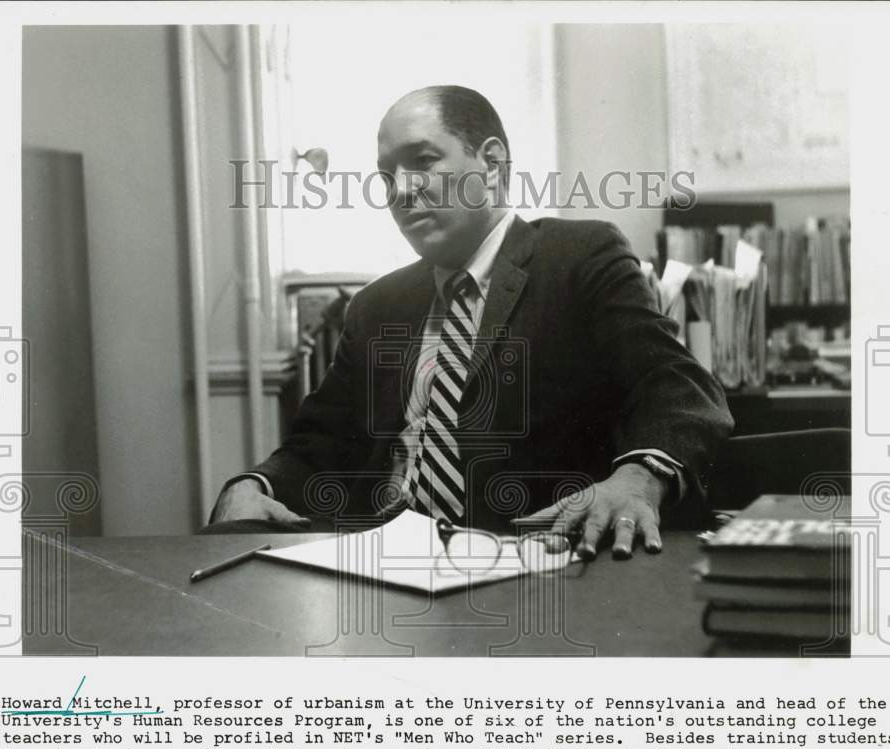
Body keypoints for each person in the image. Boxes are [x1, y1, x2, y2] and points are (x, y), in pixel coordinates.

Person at [210, 85, 733, 559]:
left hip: (531, 569)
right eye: (386, 175)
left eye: (422, 160)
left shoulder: (580, 258)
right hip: (379, 569)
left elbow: (679, 388)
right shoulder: (377, 304)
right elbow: (317, 446)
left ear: (492, 163)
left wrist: (640, 476)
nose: (400, 189)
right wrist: (256, 484)